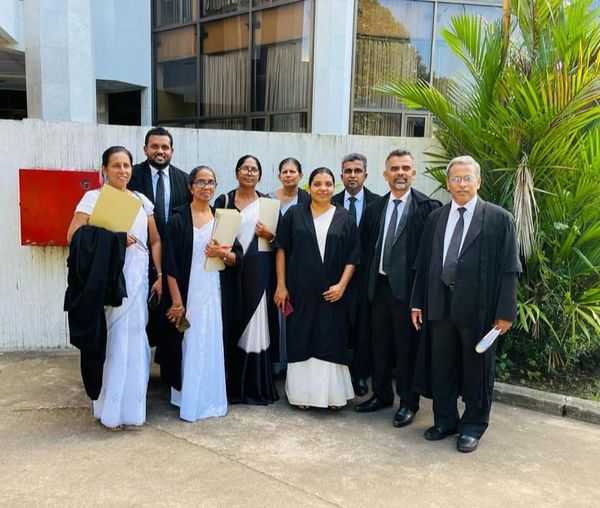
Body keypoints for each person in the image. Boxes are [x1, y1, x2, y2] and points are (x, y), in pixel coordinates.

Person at [410, 155, 521, 453]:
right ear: (447, 183)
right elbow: (423, 264)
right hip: (439, 303)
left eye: (467, 178)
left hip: (479, 309)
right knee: (441, 365)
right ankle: (445, 420)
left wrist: (505, 312)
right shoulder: (436, 218)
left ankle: (473, 425)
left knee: (477, 368)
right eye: (456, 179)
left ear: (478, 181)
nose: (462, 184)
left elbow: (510, 269)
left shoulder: (499, 219)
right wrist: (417, 302)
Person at [66, 146, 162, 430]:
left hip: (138, 279)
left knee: (136, 340)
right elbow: (73, 235)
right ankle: (109, 410)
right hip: (109, 283)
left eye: (126, 165)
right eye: (116, 165)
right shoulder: (93, 198)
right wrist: (115, 239)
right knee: (113, 341)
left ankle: (132, 409)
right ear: (104, 169)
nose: (122, 171)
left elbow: (156, 240)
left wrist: (160, 274)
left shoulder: (142, 201)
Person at [355, 150, 441, 429]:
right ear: (385, 174)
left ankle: (408, 402)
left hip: (408, 293)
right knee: (378, 344)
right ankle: (381, 394)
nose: (400, 173)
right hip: (378, 288)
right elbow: (366, 249)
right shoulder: (374, 209)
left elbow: (431, 257)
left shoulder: (428, 209)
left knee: (407, 349)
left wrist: (422, 296)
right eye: (394, 168)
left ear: (413, 173)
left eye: (405, 168)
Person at [274, 167, 360, 410]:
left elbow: (353, 257)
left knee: (331, 339)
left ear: (334, 187)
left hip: (332, 293)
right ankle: (301, 395)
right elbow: (281, 249)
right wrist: (281, 285)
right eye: (318, 184)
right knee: (301, 338)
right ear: (308, 187)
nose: (323, 188)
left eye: (328, 184)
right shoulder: (294, 214)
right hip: (300, 291)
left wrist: (342, 285)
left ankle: (333, 396)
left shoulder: (345, 217)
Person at [161, 166, 241, 422]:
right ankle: (187, 398)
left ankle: (211, 398)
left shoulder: (223, 219)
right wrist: (176, 301)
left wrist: (222, 254)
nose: (206, 187)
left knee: (213, 341)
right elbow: (170, 264)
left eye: (211, 182)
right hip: (188, 292)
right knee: (189, 341)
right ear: (190, 186)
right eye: (201, 182)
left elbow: (237, 258)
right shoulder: (177, 220)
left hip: (215, 292)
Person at [214, 155, 279, 405]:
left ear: (260, 175)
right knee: (230, 322)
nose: (249, 173)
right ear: (237, 172)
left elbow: (277, 243)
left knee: (256, 327)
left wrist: (270, 234)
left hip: (258, 274)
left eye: (254, 169)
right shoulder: (224, 200)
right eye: (245, 168)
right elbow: (215, 235)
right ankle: (231, 386)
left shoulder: (268, 204)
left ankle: (255, 386)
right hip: (229, 272)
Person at [127, 126, 191, 352]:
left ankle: (168, 365)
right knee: (139, 320)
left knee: (172, 319)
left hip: (174, 260)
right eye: (154, 146)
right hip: (139, 257)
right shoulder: (131, 177)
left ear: (172, 151)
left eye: (165, 147)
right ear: (145, 149)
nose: (160, 151)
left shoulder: (185, 180)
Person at [332, 153, 381, 397]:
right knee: (338, 325)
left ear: (365, 175)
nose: (353, 175)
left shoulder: (378, 203)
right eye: (348, 171)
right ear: (341, 176)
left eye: (357, 171)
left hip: (367, 277)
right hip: (337, 276)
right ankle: (337, 374)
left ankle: (360, 375)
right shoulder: (330, 202)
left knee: (364, 327)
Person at [268, 157, 311, 375]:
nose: (288, 175)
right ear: (279, 176)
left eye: (292, 171)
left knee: (296, 312)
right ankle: (278, 361)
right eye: (284, 172)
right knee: (276, 312)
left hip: (300, 263)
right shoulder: (268, 199)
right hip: (271, 261)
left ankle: (295, 361)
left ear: (300, 175)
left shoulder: (308, 200)